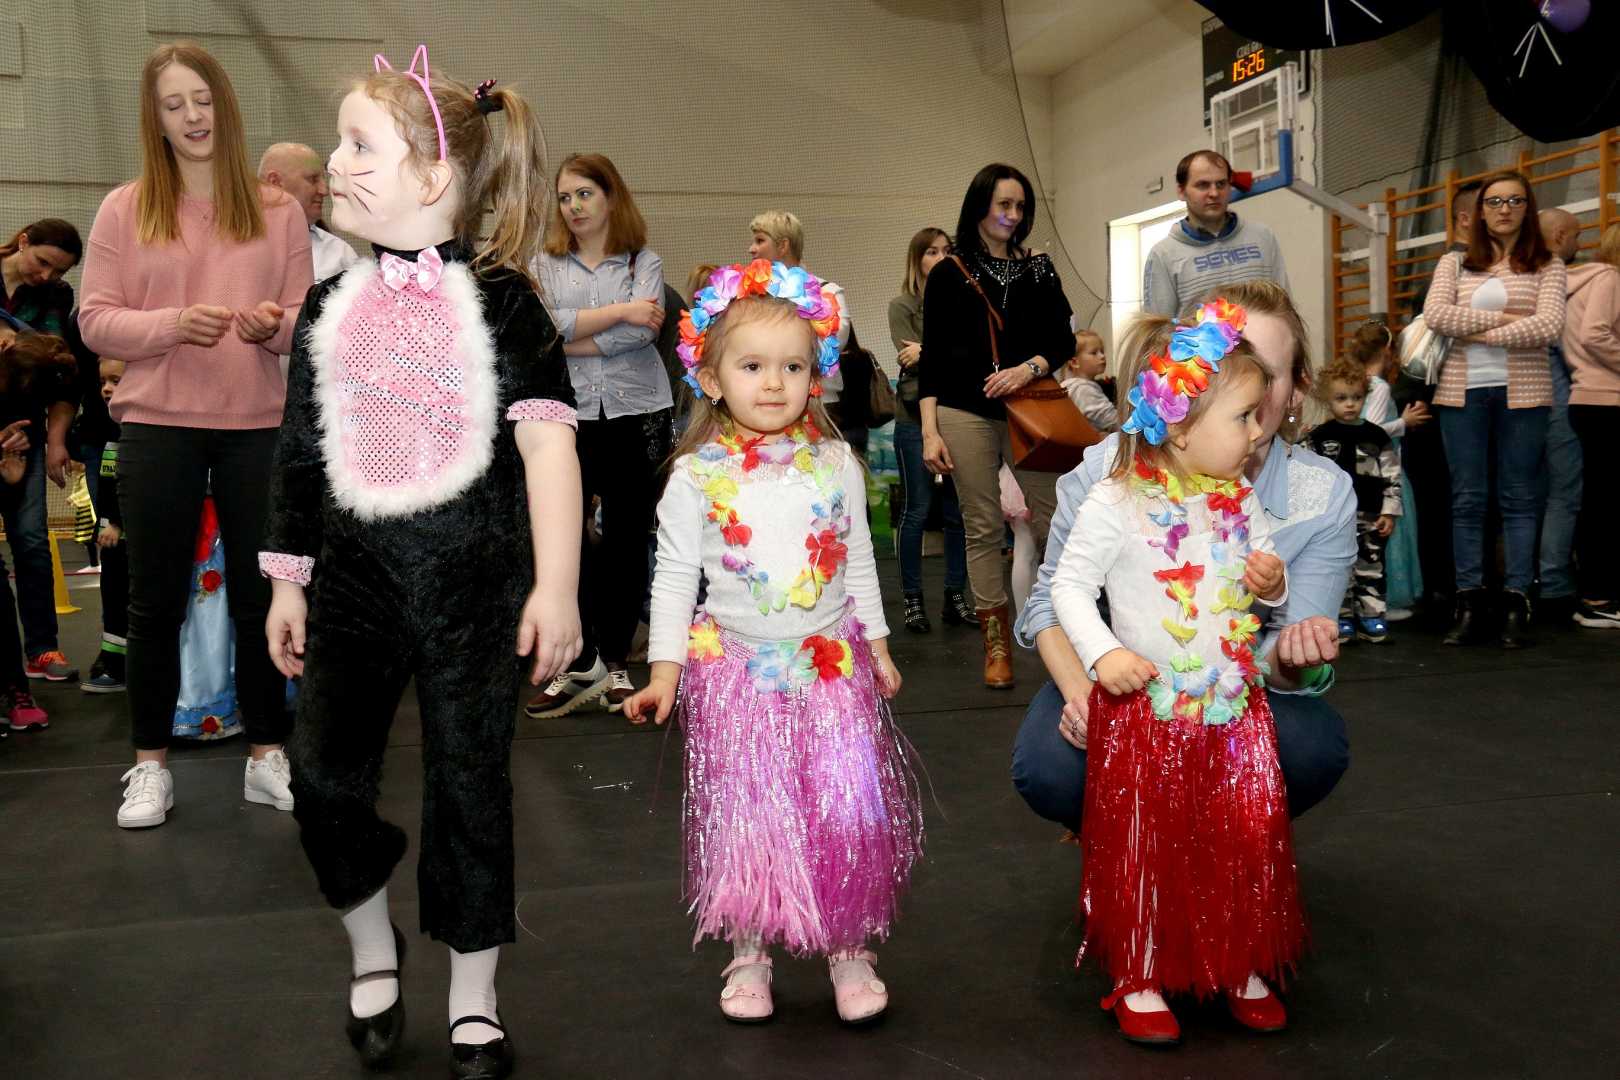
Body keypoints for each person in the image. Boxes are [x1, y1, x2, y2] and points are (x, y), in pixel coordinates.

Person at [260, 49, 580, 1077]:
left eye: (360, 146)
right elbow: (300, 453)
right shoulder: (326, 307)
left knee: (471, 788)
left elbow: (548, 448)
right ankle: (372, 945)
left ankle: (474, 996)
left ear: (434, 176)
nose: (336, 163)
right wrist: (287, 578)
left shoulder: (507, 304)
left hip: (474, 588)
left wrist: (558, 586)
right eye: (338, 143)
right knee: (319, 777)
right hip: (354, 582)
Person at [622, 259, 920, 1027]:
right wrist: (663, 673)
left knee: (842, 812)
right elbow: (673, 578)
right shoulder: (696, 476)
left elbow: (858, 560)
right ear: (711, 379)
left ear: (814, 378)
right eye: (752, 366)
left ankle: (848, 943)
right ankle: (749, 948)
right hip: (738, 677)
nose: (774, 383)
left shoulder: (835, 464)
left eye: (792, 367)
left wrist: (879, 645)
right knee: (751, 815)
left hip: (832, 672)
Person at [1012, 280, 1353, 846]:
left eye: (1266, 372)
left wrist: (1289, 629)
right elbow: (1054, 598)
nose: (1252, 388)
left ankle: (1225, 841)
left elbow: (1284, 632)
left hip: (1231, 685)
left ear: (1297, 389)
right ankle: (1123, 841)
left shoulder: (1300, 494)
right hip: (1123, 674)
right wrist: (1087, 693)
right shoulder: (1111, 478)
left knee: (1312, 747)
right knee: (1051, 765)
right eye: (1228, 363)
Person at [1050, 299, 1304, 1045]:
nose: (1257, 432)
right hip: (1149, 714)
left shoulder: (1238, 496)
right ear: (1183, 425)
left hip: (1231, 712)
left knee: (1240, 835)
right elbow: (1068, 587)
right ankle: (1141, 969)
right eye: (1244, 417)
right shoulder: (1116, 500)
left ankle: (1239, 958)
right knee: (1148, 846)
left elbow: (1266, 572)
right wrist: (1104, 654)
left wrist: (1271, 583)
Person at [79, 42, 313, 828]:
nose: (192, 116)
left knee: (260, 599)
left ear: (225, 105)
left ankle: (266, 755)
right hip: (158, 425)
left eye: (203, 100)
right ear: (155, 118)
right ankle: (149, 766)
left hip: (257, 427)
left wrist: (273, 324)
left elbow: (306, 320)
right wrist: (172, 325)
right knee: (154, 605)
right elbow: (94, 320)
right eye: (174, 104)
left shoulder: (278, 210)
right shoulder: (125, 208)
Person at [526, 152, 669, 718]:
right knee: (569, 539)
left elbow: (642, 336)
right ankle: (578, 659)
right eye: (565, 197)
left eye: (584, 193)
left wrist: (574, 336)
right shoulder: (543, 263)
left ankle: (615, 662)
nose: (573, 206)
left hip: (638, 413)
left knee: (629, 540)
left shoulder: (644, 261)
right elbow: (542, 329)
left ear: (611, 198)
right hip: (569, 417)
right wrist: (620, 312)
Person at [919, 163, 1071, 689]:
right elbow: (934, 357)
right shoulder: (948, 272)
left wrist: (1028, 368)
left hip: (1031, 408)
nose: (1012, 214)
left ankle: (1068, 621)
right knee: (982, 527)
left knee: (1058, 517)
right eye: (1004, 204)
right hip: (963, 411)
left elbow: (1063, 341)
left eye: (1020, 206)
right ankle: (996, 643)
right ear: (980, 205)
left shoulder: (1040, 269)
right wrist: (930, 430)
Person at [1422, 169, 1566, 649]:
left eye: (1515, 201)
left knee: (1519, 499)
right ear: (1480, 212)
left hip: (1525, 394)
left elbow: (1548, 326)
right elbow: (1436, 315)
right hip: (1462, 394)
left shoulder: (1548, 266)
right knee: (1467, 500)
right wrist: (1506, 321)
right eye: (1495, 201)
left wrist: (1477, 331)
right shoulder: (1454, 263)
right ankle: (1468, 602)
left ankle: (1515, 602)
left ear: (1528, 209)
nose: (1504, 209)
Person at [888, 227, 972, 633]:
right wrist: (941, 351)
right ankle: (912, 599)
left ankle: (956, 596)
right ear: (917, 259)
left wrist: (929, 350)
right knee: (917, 510)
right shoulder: (902, 305)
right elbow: (911, 357)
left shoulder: (963, 301)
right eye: (931, 252)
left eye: (946, 251)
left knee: (958, 514)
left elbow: (965, 354)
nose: (940, 258)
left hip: (958, 414)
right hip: (913, 418)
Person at [0, 333, 70, 730]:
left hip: (15, 455)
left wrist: (12, 470)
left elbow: (64, 394)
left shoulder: (34, 369)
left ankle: (18, 681)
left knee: (29, 544)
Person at [1308, 356, 1403, 643]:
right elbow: (1308, 478)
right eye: (1341, 398)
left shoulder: (1377, 435)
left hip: (1370, 516)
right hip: (1334, 520)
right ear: (1327, 400)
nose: (1350, 404)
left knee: (1371, 567)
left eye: (1357, 397)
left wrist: (1389, 511)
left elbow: (1392, 475)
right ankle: (1341, 617)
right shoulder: (1319, 437)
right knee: (1338, 568)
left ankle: (1372, 616)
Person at [1141, 150, 1287, 318]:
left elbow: (1284, 308)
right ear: (1181, 191)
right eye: (1203, 185)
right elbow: (1159, 329)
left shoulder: (1263, 237)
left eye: (1221, 184)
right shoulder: (1163, 255)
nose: (1214, 193)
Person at [1562, 222, 1620, 627]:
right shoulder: (1610, 278)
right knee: (1605, 504)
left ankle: (1597, 593)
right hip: (1605, 401)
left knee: (1601, 501)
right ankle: (1596, 596)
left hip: (1591, 399)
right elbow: (1595, 335)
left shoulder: (1583, 281)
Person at [1347, 323, 1427, 616]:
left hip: (1368, 470)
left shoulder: (1361, 385)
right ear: (1386, 351)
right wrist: (1404, 422)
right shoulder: (1379, 387)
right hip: (1385, 470)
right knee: (1394, 533)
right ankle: (1388, 599)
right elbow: (1374, 428)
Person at [747, 210, 850, 406]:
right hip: (763, 406)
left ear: (783, 246)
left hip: (820, 406)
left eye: (760, 241)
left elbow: (831, 347)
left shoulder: (827, 292)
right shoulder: (748, 296)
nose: (751, 249)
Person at [1537, 207, 1585, 624]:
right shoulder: (1556, 281)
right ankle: (1554, 583)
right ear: (1558, 237)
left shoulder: (1515, 276)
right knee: (1564, 493)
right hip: (1555, 397)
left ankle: (1534, 581)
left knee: (1527, 496)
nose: (1578, 244)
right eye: (1575, 236)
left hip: (1517, 401)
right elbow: (1574, 348)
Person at [82, 357, 129, 693]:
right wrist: (106, 525)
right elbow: (110, 483)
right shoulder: (113, 429)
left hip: (134, 536)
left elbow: (132, 485)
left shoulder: (142, 433)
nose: (106, 389)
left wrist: (117, 523)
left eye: (116, 381)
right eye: (103, 382)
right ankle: (114, 664)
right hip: (114, 537)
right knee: (113, 596)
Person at [258, 141, 361, 281]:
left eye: (323, 179)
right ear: (274, 182)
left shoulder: (340, 255)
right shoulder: (235, 244)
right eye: (313, 179)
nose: (324, 190)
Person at [1, 218, 81, 336]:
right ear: (23, 242)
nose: (46, 276)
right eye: (43, 262)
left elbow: (49, 342)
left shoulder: (58, 293)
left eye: (59, 271)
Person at [1060, 328, 1118, 432]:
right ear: (1074, 362)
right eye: (1094, 353)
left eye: (1102, 351)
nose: (1102, 356)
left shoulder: (1071, 386)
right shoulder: (1083, 389)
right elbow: (1113, 421)